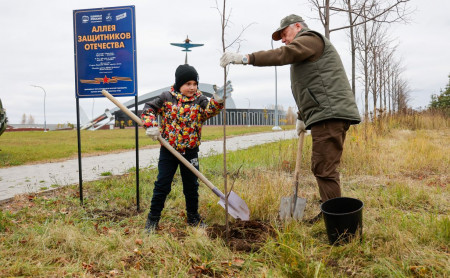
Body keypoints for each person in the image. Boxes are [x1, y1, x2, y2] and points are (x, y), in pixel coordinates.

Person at [220, 14, 361, 223]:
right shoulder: (307, 51)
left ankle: (335, 218)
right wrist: (302, 117)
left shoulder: (310, 39)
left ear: (297, 26)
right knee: (324, 166)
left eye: (284, 34)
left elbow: (283, 54)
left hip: (329, 114)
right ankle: (331, 212)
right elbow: (310, 87)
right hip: (326, 113)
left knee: (324, 167)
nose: (284, 40)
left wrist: (246, 58)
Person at [141, 64, 224, 231]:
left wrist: (218, 101)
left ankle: (193, 218)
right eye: (188, 84)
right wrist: (150, 125)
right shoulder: (166, 97)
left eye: (195, 84)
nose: (192, 88)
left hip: (190, 151)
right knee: (162, 184)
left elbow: (209, 111)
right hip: (169, 150)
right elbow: (148, 108)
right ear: (179, 84)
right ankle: (152, 220)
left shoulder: (200, 100)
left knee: (191, 186)